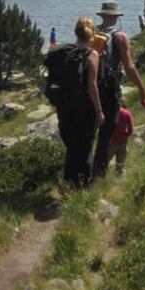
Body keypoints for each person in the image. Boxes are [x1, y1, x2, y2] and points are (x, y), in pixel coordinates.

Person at [45, 17, 104, 187]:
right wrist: (99, 111)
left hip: (64, 106)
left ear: (75, 32)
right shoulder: (92, 54)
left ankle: (69, 182)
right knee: (85, 146)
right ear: (92, 34)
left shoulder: (64, 52)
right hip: (84, 108)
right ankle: (85, 186)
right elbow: (92, 86)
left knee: (71, 145)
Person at [93, 0, 145, 178]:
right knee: (106, 131)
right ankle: (99, 173)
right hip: (109, 88)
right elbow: (129, 66)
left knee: (89, 130)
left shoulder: (92, 33)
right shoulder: (120, 37)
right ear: (116, 17)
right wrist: (141, 87)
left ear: (102, 15)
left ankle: (83, 170)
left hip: (90, 87)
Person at [109, 98, 134, 175]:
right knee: (120, 166)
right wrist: (125, 136)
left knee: (104, 162)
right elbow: (131, 130)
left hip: (111, 142)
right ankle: (118, 179)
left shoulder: (109, 113)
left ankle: (100, 179)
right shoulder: (127, 113)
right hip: (122, 142)